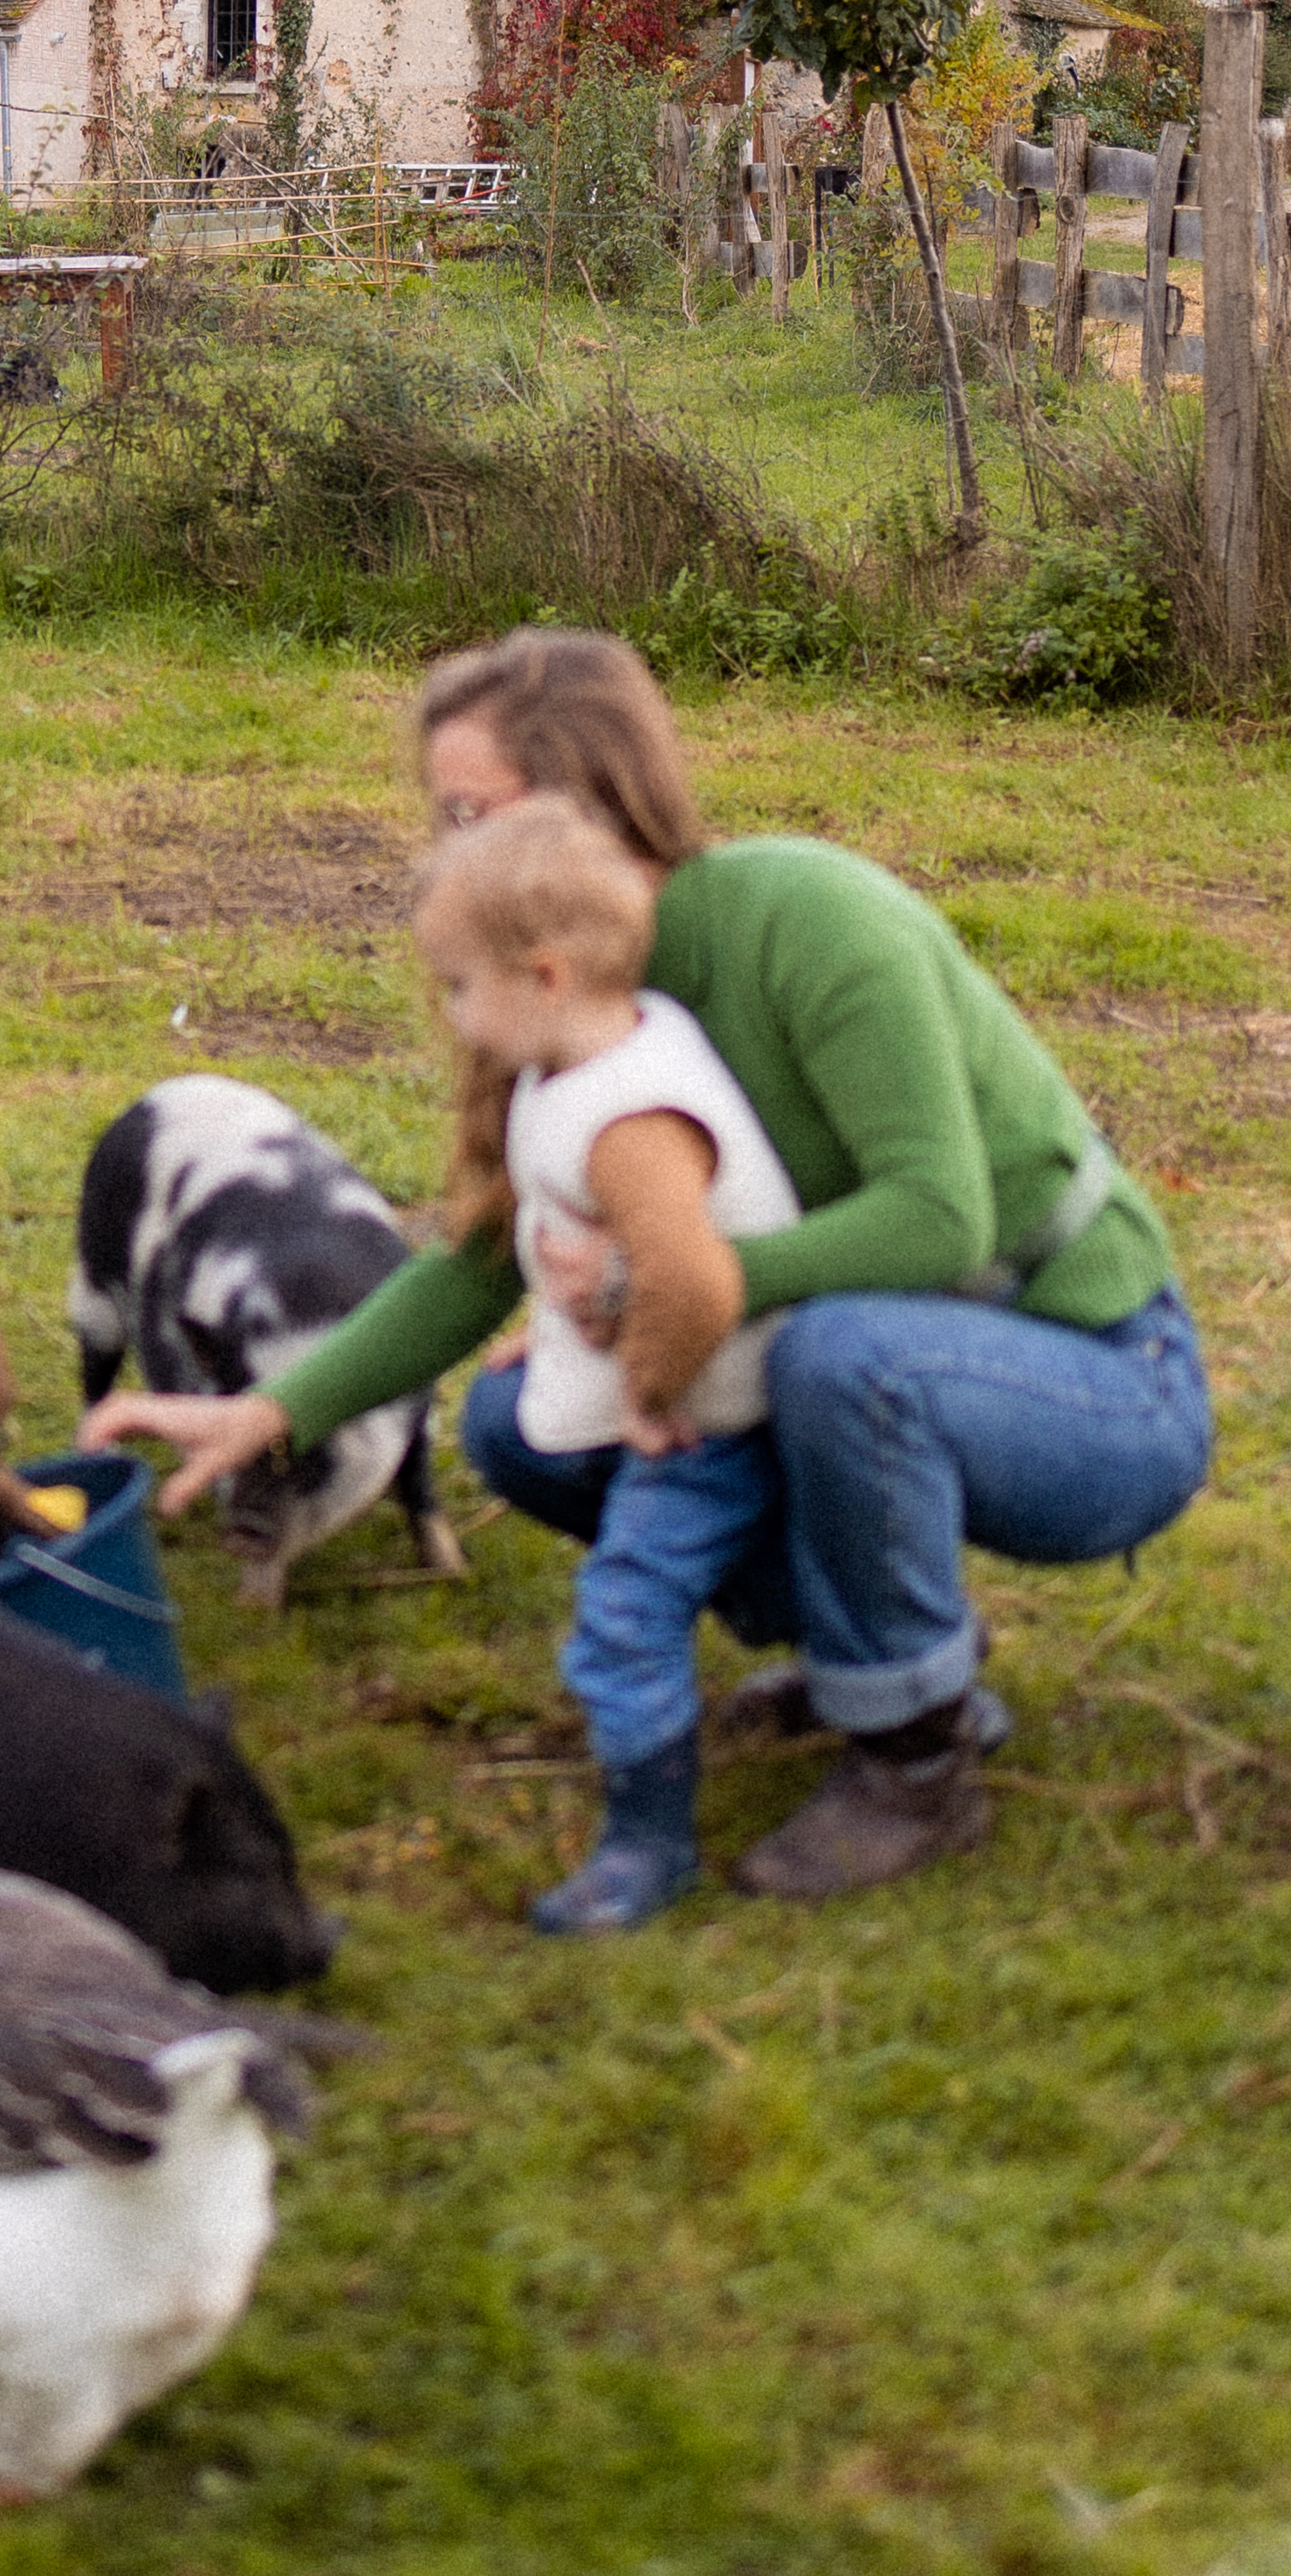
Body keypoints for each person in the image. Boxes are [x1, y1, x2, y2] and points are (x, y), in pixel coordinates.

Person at [84, 628, 1210, 1901]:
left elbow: (936, 1223)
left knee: (846, 1356)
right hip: (864, 1367)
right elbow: (475, 1267)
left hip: (1102, 1383)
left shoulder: (809, 919)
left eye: (470, 813)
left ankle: (915, 1756)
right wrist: (273, 1412)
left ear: (590, 796)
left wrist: (654, 1290)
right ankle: (869, 1652)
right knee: (522, 1425)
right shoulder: (571, 997)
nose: (443, 850)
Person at [414, 794, 801, 1933]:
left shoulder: (627, 1112)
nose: (449, 1013)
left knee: (624, 1610)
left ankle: (647, 1842)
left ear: (541, 976)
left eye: (455, 986)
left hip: (703, 1421)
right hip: (687, 1406)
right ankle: (893, 1672)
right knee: (734, 1573)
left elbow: (688, 1280)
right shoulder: (585, 1056)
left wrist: (646, 1394)